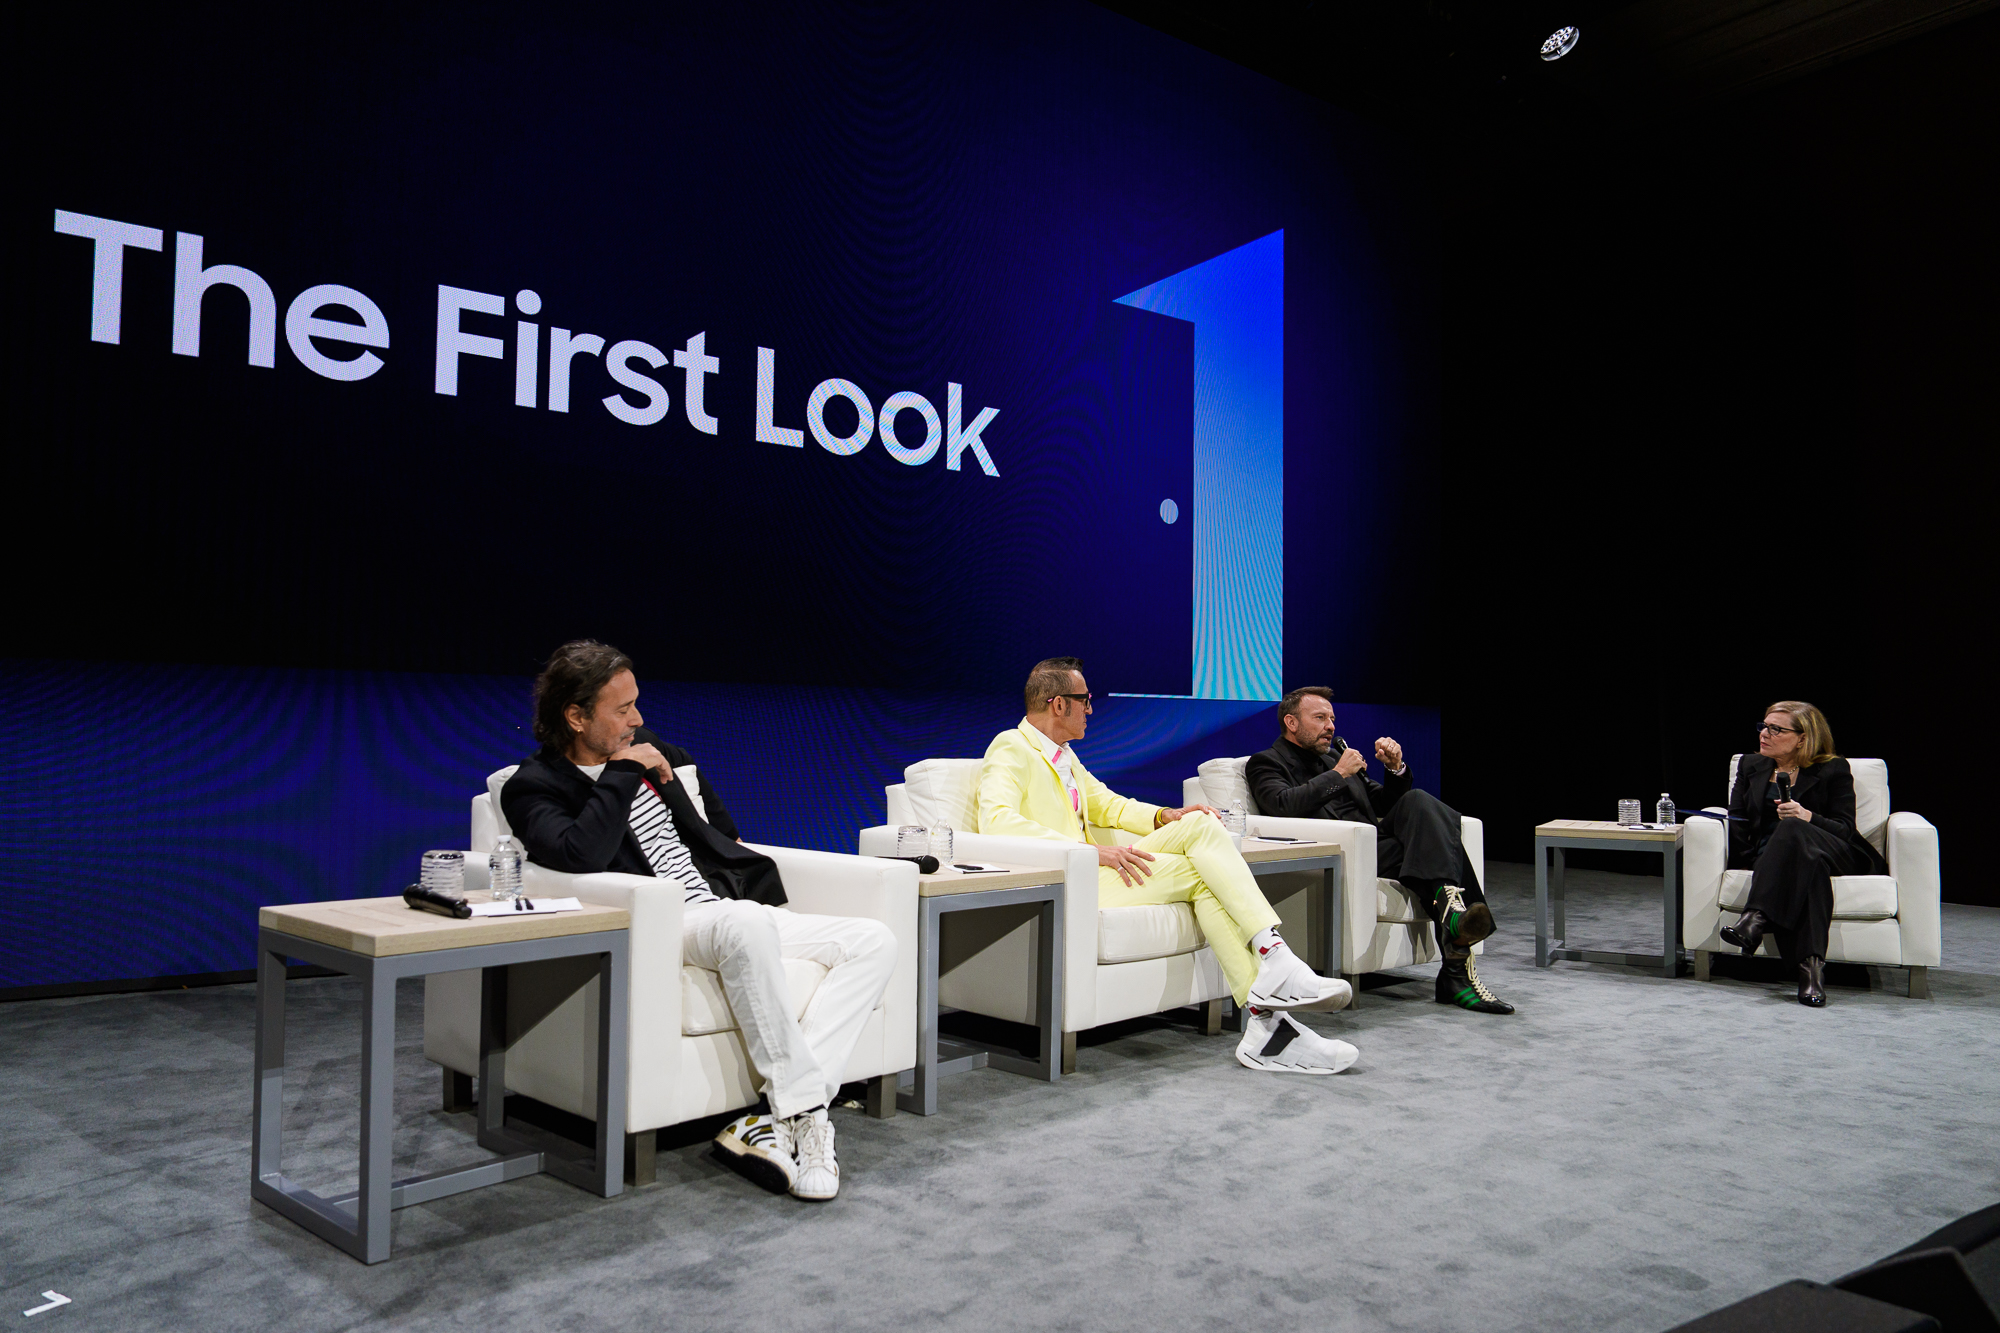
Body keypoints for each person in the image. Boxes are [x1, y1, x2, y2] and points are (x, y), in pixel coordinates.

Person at [501, 640, 896, 1200]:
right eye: (622, 709)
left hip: (719, 910)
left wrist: (664, 778)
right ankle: (807, 1121)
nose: (637, 720)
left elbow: (721, 832)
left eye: (636, 704)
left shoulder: (655, 751)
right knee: (746, 926)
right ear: (575, 716)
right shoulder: (534, 785)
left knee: (873, 940)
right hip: (660, 926)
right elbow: (578, 854)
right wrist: (621, 773)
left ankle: (781, 1115)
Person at [976, 657, 1360, 1075]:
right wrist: (1087, 851)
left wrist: (1165, 815)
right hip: (1068, 878)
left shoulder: (1064, 755)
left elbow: (1108, 804)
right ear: (1058, 704)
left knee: (1199, 828)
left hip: (1092, 869)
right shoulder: (1011, 747)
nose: (1090, 708)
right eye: (1084, 700)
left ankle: (1272, 989)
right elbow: (997, 821)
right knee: (1204, 870)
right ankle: (1271, 992)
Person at [1244, 686, 1514, 1015]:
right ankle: (1455, 966)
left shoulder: (1334, 757)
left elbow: (1384, 803)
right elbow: (1282, 805)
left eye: (1332, 718)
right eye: (1320, 718)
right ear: (1291, 722)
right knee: (1441, 848)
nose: (1330, 725)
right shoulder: (1266, 762)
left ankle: (1451, 920)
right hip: (1340, 853)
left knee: (1419, 801)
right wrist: (1339, 774)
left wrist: (1395, 770)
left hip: (1377, 846)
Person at [1717, 700, 1886, 1006]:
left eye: (1776, 729)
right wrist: (1750, 862)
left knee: (1794, 827)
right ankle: (1811, 973)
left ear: (1803, 738)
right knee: (1811, 870)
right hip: (1782, 860)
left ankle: (1756, 917)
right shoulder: (1750, 766)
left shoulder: (1833, 769)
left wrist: (1807, 816)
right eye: (1763, 726)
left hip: (1836, 851)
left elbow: (1844, 829)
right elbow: (1738, 822)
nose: (1764, 734)